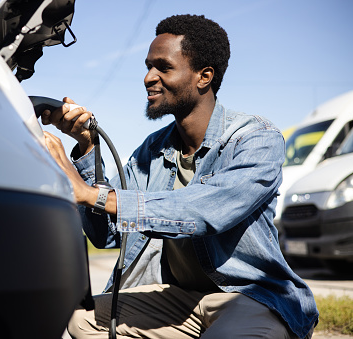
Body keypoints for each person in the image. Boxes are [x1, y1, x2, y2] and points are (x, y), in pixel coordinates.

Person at [42, 14, 318, 339]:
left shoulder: (255, 138)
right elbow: (108, 234)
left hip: (248, 296)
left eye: (163, 67)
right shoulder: (152, 150)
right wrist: (88, 148)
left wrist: (92, 194)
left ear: (204, 77)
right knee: (81, 320)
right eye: (148, 66)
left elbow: (204, 211)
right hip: (178, 301)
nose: (148, 77)